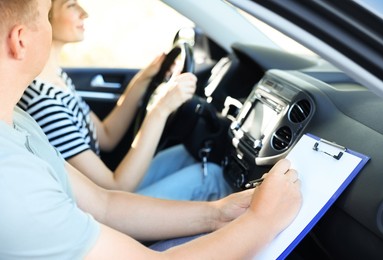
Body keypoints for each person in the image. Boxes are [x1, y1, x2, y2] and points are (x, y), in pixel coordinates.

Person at [0, 0, 302, 258]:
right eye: (43, 15)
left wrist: (219, 213)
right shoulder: (13, 182)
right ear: (21, 41)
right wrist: (263, 221)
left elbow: (104, 205)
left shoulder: (18, 122)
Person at [17, 0, 231, 201]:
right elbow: (114, 188)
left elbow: (106, 136)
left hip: (110, 197)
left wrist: (143, 79)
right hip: (105, 212)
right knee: (210, 176)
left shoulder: (55, 79)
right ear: (43, 18)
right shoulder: (44, 102)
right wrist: (161, 108)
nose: (85, 13)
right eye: (71, 5)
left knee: (191, 154)